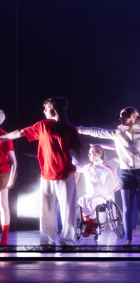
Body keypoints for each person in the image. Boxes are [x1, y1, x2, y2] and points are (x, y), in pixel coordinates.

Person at [0, 97, 82, 246]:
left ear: (55, 109)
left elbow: (77, 150)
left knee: (68, 210)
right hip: (47, 175)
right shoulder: (42, 125)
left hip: (65, 174)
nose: (44, 111)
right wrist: (2, 138)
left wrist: (77, 168)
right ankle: (47, 243)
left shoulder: (70, 129)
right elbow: (20, 132)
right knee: (46, 211)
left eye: (47, 107)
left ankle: (68, 242)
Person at [77, 107, 140, 246]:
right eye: (120, 116)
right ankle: (128, 240)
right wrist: (78, 129)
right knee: (127, 208)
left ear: (133, 116)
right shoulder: (118, 134)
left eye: (123, 115)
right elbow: (98, 132)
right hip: (126, 173)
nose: (120, 118)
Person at [75, 145, 118, 237]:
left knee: (93, 201)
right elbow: (76, 167)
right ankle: (88, 225)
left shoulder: (106, 169)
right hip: (90, 195)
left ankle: (94, 225)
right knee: (83, 200)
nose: (88, 154)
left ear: (98, 154)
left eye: (91, 153)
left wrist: (106, 193)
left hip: (102, 197)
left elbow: (115, 184)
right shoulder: (87, 167)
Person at [0, 110, 17, 245]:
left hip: (2, 172)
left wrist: (11, 177)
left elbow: (13, 161)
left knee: (3, 204)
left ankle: (4, 239)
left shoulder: (6, 136)